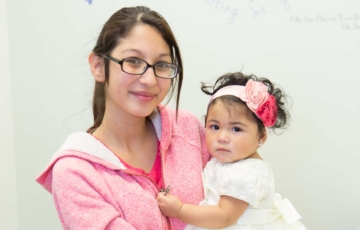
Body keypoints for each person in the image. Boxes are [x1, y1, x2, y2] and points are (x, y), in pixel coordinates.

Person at [36, 6, 209, 230]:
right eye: (134, 61)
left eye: (162, 65)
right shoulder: (76, 172)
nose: (149, 79)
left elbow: (240, 196)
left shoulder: (187, 128)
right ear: (98, 66)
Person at [157, 72, 307, 229]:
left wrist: (180, 210)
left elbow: (224, 216)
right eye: (215, 127)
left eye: (236, 129)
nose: (222, 137)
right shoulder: (227, 161)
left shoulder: (246, 172)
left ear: (261, 136)